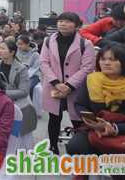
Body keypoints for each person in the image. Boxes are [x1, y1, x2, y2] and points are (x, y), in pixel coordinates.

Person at [66, 44, 125, 179]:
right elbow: (80, 104)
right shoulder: (91, 80)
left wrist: (115, 128)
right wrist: (93, 122)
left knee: (121, 168)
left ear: (124, 61)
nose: (106, 63)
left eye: (112, 59)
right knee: (75, 147)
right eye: (103, 59)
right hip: (95, 128)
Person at [40, 12, 96, 154]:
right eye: (60, 21)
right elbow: (44, 63)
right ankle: (53, 147)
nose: (62, 24)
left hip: (76, 89)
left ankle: (79, 149)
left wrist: (70, 85)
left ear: (77, 26)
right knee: (54, 118)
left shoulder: (85, 44)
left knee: (77, 120)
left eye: (67, 21)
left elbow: (88, 67)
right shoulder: (48, 41)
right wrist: (56, 82)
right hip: (54, 87)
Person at [0, 40, 37, 140]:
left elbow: (24, 91)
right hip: (1, 101)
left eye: (3, 49)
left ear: (12, 52)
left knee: (15, 136)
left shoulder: (21, 68)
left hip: (17, 103)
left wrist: (3, 93)